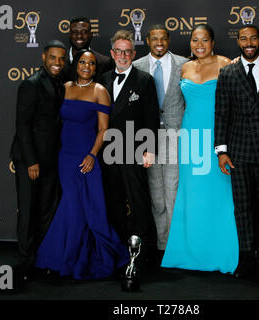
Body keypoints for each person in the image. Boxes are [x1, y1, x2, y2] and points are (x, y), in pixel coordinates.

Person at [34, 50, 129, 280]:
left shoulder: (100, 91)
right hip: (65, 157)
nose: (87, 66)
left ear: (96, 68)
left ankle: (69, 258)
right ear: (76, 65)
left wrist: (92, 155)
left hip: (87, 156)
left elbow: (103, 129)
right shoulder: (64, 87)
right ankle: (66, 257)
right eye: (83, 62)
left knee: (84, 207)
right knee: (72, 204)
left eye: (92, 63)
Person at [161, 24, 239, 274]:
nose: (199, 45)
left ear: (213, 42)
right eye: (195, 40)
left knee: (219, 194)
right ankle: (190, 251)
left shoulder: (227, 64)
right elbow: (175, 105)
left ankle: (220, 250)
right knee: (191, 194)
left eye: (204, 40)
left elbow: (236, 103)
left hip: (218, 138)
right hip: (191, 137)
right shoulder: (185, 67)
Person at [214, 25, 259, 279]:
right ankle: (245, 258)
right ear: (238, 42)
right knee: (242, 208)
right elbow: (221, 113)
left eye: (253, 37)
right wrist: (221, 151)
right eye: (244, 38)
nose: (249, 42)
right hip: (238, 151)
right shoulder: (228, 72)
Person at [100, 30, 160, 271]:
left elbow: (152, 117)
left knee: (139, 202)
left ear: (134, 54)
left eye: (128, 51)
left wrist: (150, 149)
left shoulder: (144, 80)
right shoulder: (102, 79)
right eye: (119, 51)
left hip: (134, 149)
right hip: (108, 152)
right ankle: (117, 250)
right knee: (113, 202)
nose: (123, 55)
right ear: (112, 53)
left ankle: (143, 253)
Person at [10, 40, 67, 280]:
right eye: (53, 58)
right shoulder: (30, 84)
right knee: (28, 211)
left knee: (47, 211)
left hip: (51, 158)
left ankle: (41, 260)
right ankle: (24, 263)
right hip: (30, 160)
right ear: (44, 58)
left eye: (61, 59)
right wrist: (31, 161)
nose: (57, 63)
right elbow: (22, 125)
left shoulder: (60, 86)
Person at [132, 24, 189, 261]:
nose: (159, 43)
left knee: (173, 192)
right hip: (149, 138)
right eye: (154, 39)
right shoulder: (137, 66)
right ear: (147, 40)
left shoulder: (184, 63)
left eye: (163, 39)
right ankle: (162, 247)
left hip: (176, 135)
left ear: (169, 40)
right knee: (156, 195)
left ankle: (175, 246)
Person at [60, 16, 115, 83]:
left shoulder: (104, 63)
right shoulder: (59, 62)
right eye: (75, 32)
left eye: (84, 32)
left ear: (90, 34)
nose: (79, 36)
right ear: (69, 34)